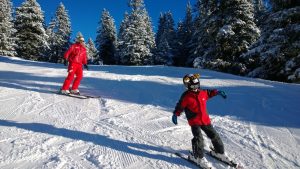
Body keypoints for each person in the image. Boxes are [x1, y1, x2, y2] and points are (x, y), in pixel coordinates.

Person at [172, 73, 227, 168]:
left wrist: (217, 92)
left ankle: (220, 153)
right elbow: (180, 106)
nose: (195, 88)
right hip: (194, 122)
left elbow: (210, 93)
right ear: (188, 86)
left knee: (214, 135)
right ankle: (198, 157)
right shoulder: (186, 96)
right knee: (199, 139)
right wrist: (176, 114)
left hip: (205, 120)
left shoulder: (203, 93)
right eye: (193, 86)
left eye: (197, 86)